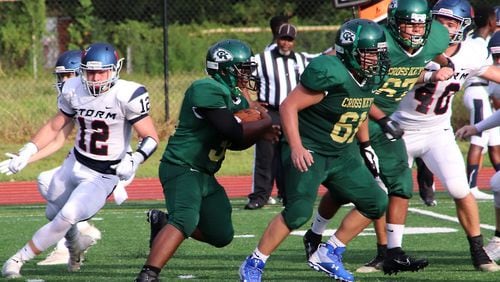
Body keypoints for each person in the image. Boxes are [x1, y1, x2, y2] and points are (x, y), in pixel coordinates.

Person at [303, 0, 452, 275]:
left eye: (421, 23)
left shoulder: (435, 38)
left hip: (385, 122)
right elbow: (340, 65)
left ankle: (392, 252)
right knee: (348, 188)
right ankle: (317, 236)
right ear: (394, 22)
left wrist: (440, 66)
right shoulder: (378, 43)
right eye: (409, 23)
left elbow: (422, 60)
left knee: (401, 182)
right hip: (358, 117)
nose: (416, 30)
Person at [239, 18, 390, 282]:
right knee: (297, 213)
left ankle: (329, 252)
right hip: (312, 148)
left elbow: (361, 109)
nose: (375, 59)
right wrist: (296, 146)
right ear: (351, 51)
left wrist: (365, 146)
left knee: (376, 201)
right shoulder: (332, 72)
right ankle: (254, 263)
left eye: (378, 53)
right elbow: (288, 106)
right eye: (369, 53)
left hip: (343, 152)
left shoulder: (367, 77)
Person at [1, 42, 159, 279]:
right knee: (49, 197)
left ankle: (16, 260)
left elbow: (151, 137)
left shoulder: (127, 94)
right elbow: (57, 125)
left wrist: (135, 159)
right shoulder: (74, 87)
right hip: (74, 162)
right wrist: (27, 150)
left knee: (68, 215)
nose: (95, 78)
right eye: (90, 71)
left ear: (115, 69)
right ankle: (76, 245)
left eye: (101, 71)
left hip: (104, 172)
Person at [134, 39, 278, 282]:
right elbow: (232, 130)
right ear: (224, 68)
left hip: (205, 174)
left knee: (222, 235)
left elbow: (238, 143)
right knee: (185, 219)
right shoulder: (205, 88)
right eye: (242, 68)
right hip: (181, 166)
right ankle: (148, 275)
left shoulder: (235, 97)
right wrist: (268, 121)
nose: (247, 74)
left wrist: (259, 127)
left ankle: (163, 222)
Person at [391, 0, 500, 271]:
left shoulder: (472, 52)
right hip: (399, 129)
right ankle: (387, 252)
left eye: (450, 24)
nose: (443, 28)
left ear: (462, 27)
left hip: (437, 131)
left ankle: (479, 252)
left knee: (460, 189)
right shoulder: (412, 47)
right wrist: (429, 75)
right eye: (439, 21)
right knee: (389, 193)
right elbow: (392, 75)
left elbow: (490, 72)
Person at [246, 23, 313, 210]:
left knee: (291, 153)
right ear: (277, 38)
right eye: (283, 38)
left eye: (290, 40)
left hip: (293, 112)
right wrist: (253, 104)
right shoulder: (262, 59)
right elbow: (244, 79)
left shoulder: (302, 59)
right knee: (265, 155)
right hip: (271, 111)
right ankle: (259, 196)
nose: (286, 43)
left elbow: (324, 59)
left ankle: (289, 194)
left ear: (294, 41)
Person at [456, 30, 500, 264]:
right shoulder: (495, 83)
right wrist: (477, 127)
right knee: (497, 182)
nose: (499, 63)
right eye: (496, 58)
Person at [462, 5, 500, 200]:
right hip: (477, 89)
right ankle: (471, 185)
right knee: (479, 137)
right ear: (491, 21)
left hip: (484, 91)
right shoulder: (476, 43)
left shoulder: (481, 40)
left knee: (494, 140)